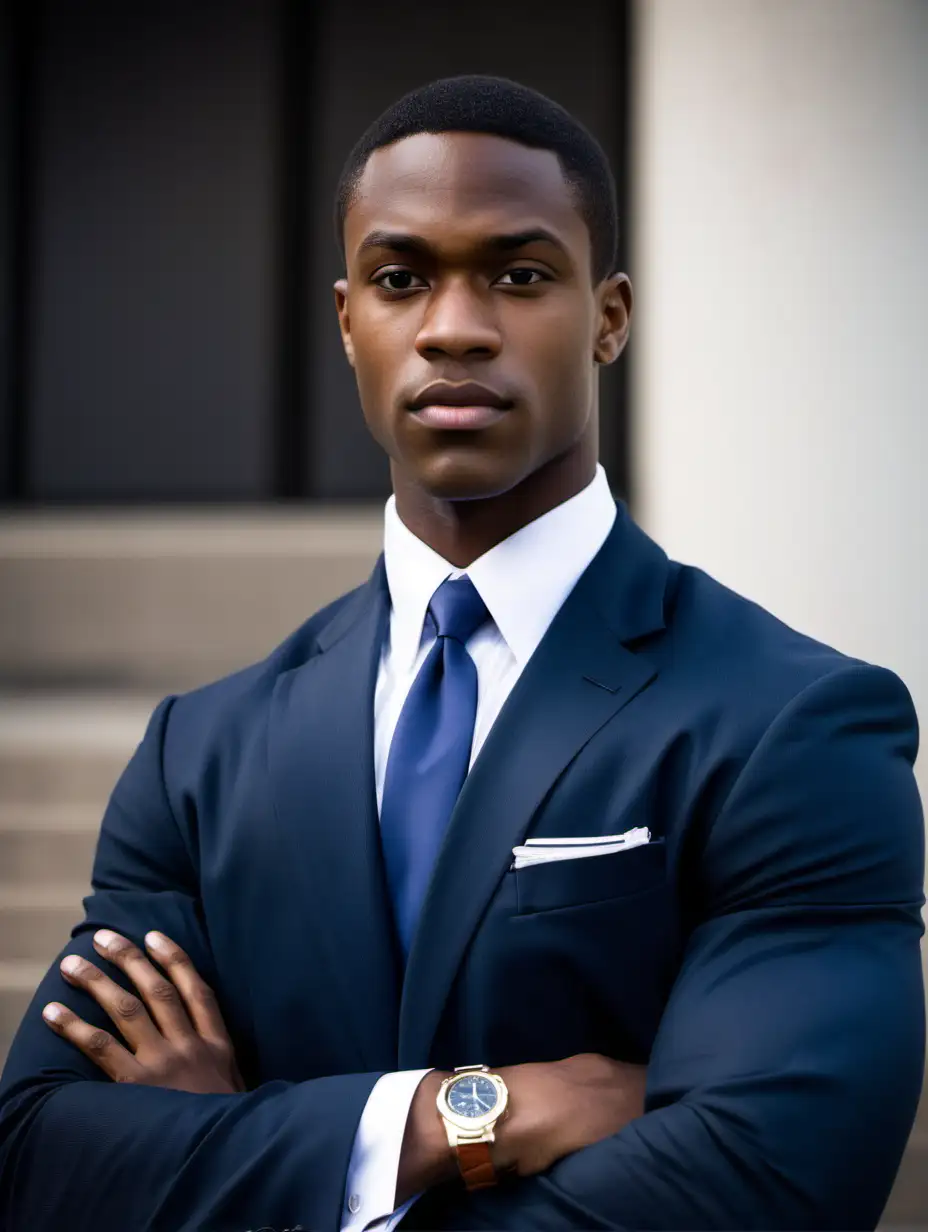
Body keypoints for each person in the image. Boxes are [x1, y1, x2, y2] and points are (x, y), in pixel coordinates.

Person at [0, 73, 923, 1232]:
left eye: (519, 274)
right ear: (348, 321)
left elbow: (761, 1180)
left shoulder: (793, 720)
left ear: (610, 316)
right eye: (400, 279)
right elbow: (38, 1154)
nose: (452, 325)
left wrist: (241, 1160)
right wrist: (462, 1115)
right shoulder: (204, 752)